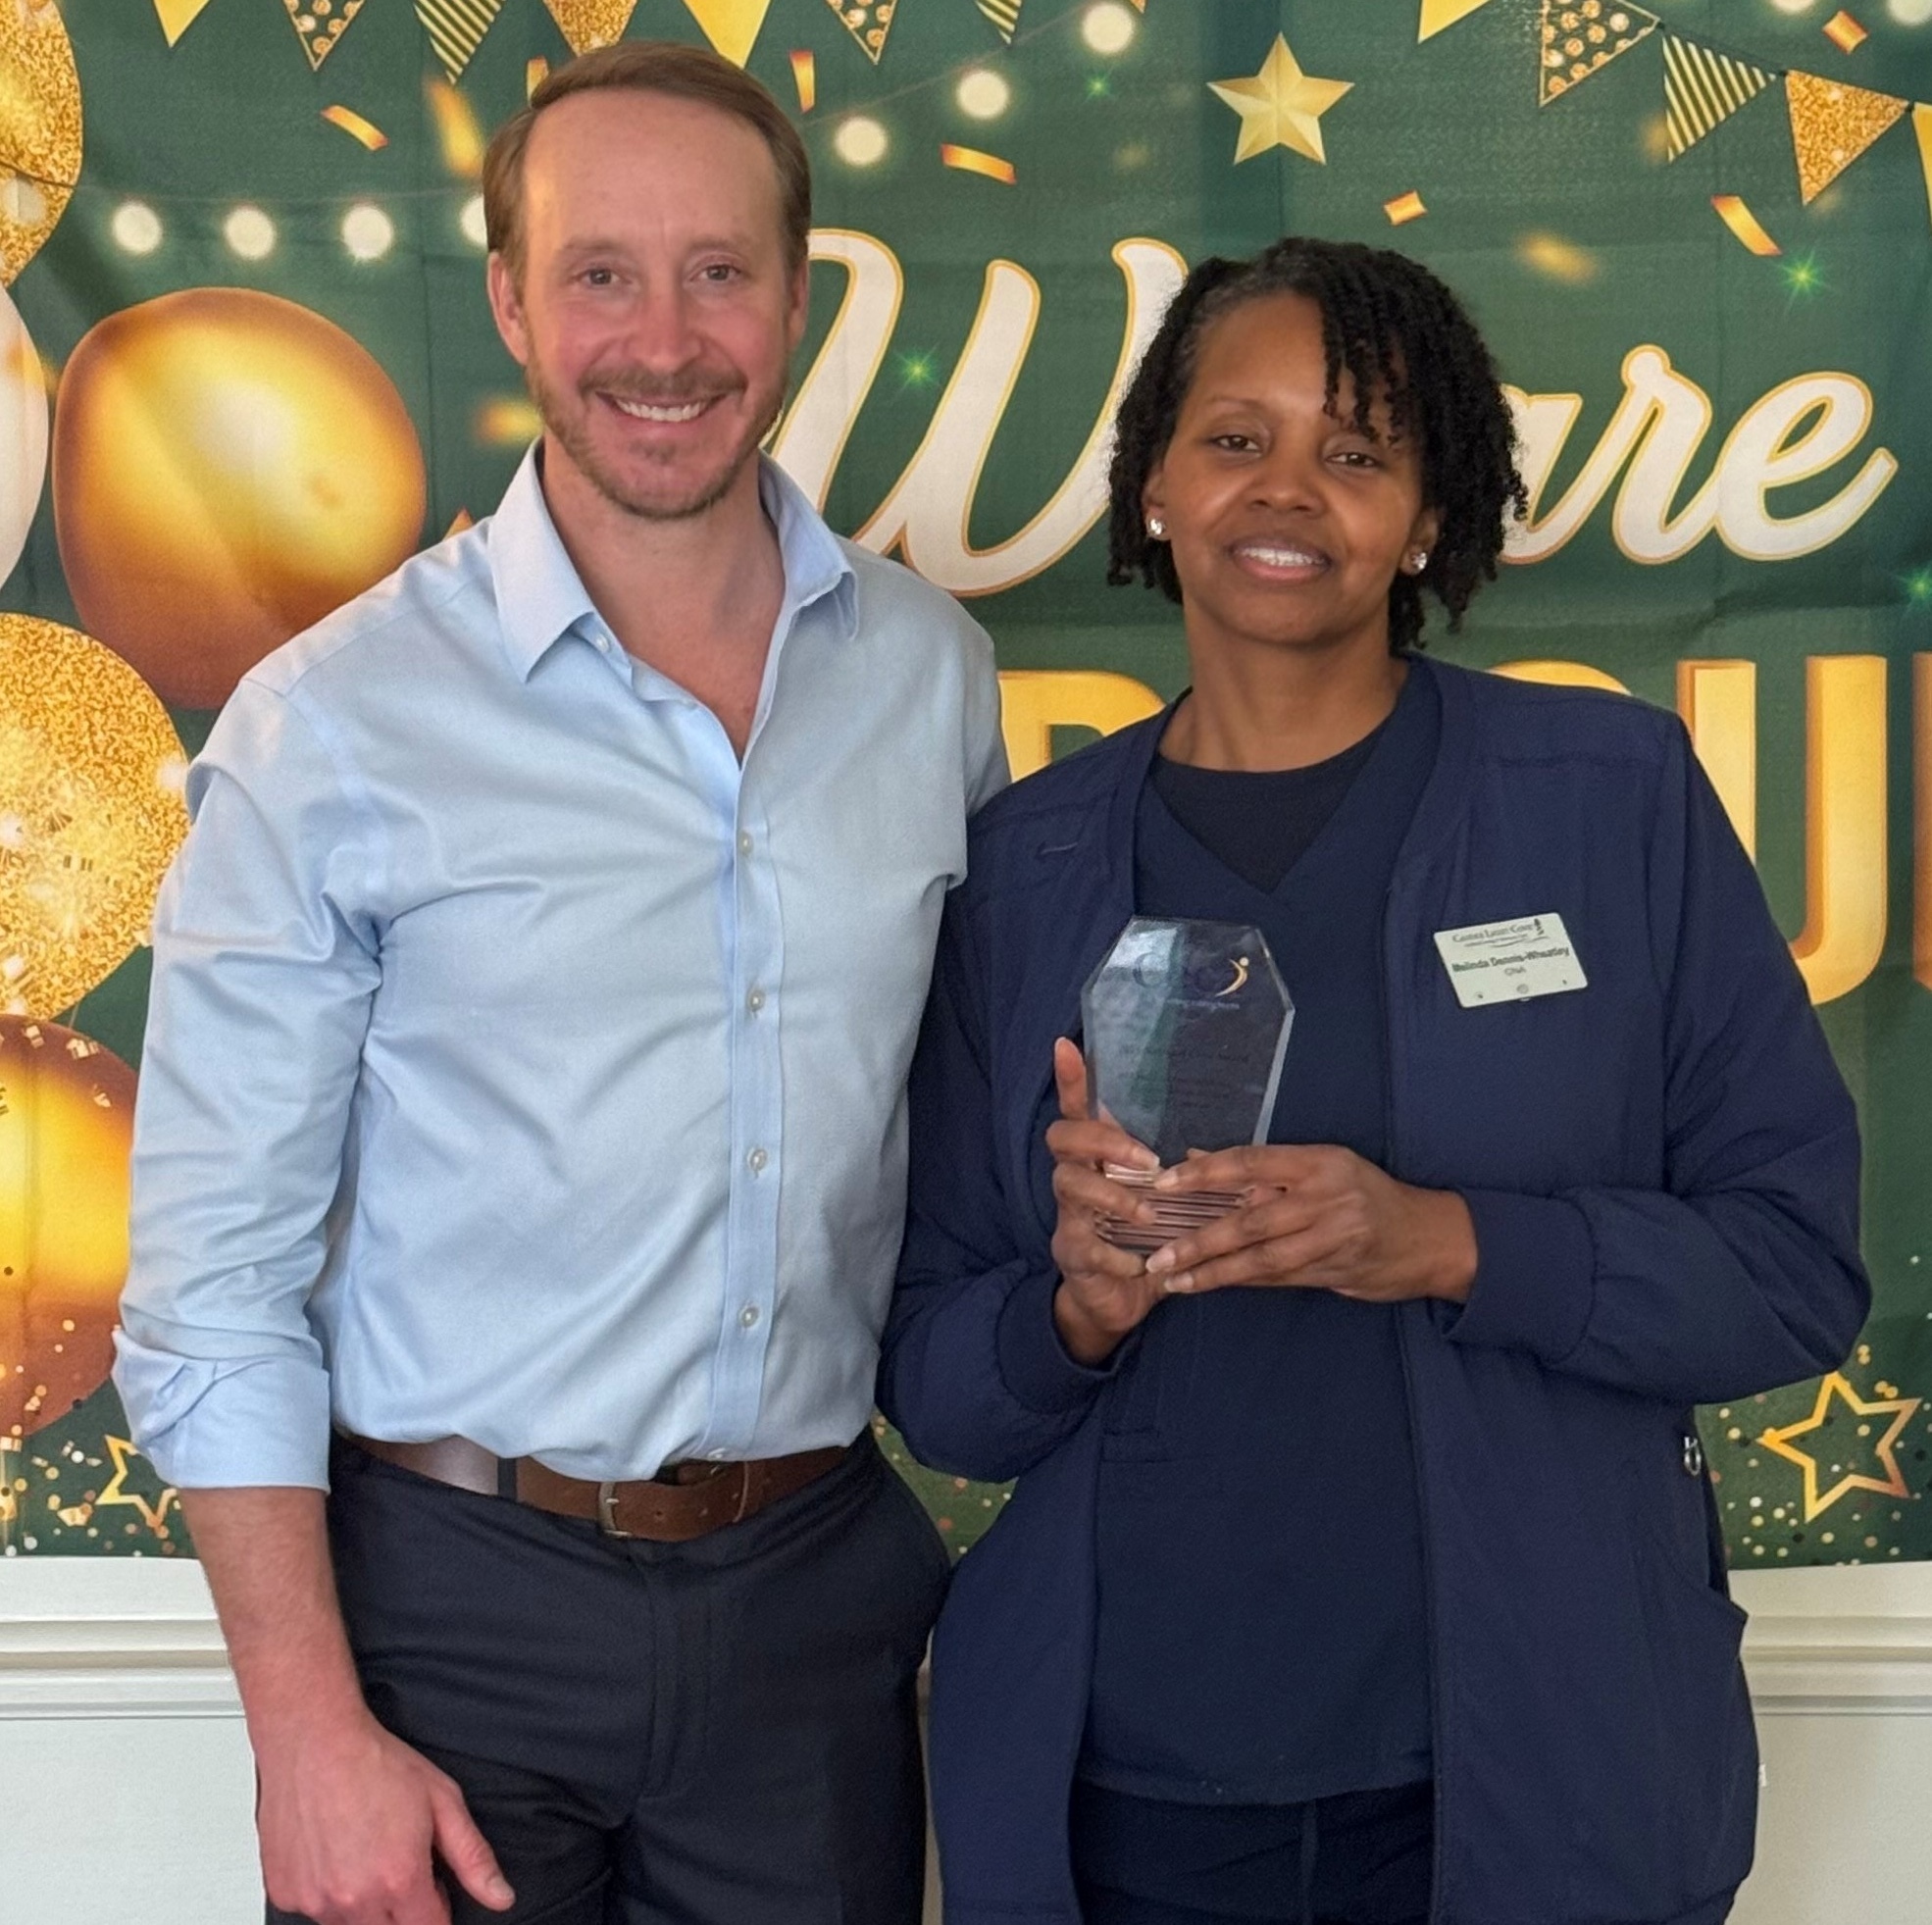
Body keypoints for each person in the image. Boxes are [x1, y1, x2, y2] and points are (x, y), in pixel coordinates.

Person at [114, 41, 1004, 1925]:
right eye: (600, 272)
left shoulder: (931, 676)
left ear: (799, 294)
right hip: (448, 1610)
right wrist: (304, 1736)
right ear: (511, 297)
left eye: (718, 271)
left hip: (811, 1603)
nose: (661, 338)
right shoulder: (335, 722)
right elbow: (212, 1289)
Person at [879, 237, 1867, 1925]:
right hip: (1123, 1802)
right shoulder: (1025, 864)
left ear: (1426, 514)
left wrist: (1447, 1243)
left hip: (1533, 1785)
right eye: (1233, 438)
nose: (1289, 490)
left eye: (1358, 451)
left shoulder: (1603, 796)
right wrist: (1074, 1311)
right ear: (1152, 489)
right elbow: (935, 1384)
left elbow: (1790, 1272)